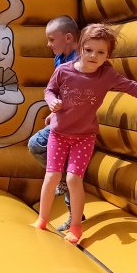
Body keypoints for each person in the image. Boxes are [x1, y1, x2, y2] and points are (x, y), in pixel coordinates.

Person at [31, 23, 137, 244]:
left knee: (73, 179)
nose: (94, 56)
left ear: (108, 55)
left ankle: (76, 228)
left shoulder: (106, 75)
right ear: (80, 48)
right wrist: (52, 102)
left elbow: (133, 88)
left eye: (101, 52)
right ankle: (42, 220)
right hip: (59, 133)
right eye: (89, 50)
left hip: (84, 137)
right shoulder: (64, 71)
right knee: (52, 176)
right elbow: (49, 90)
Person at [27, 15, 82, 232]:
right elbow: (57, 90)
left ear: (68, 38)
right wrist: (54, 110)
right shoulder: (60, 58)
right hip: (63, 119)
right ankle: (69, 200)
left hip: (77, 123)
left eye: (52, 39)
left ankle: (73, 211)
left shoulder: (79, 62)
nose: (48, 44)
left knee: (39, 146)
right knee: (41, 148)